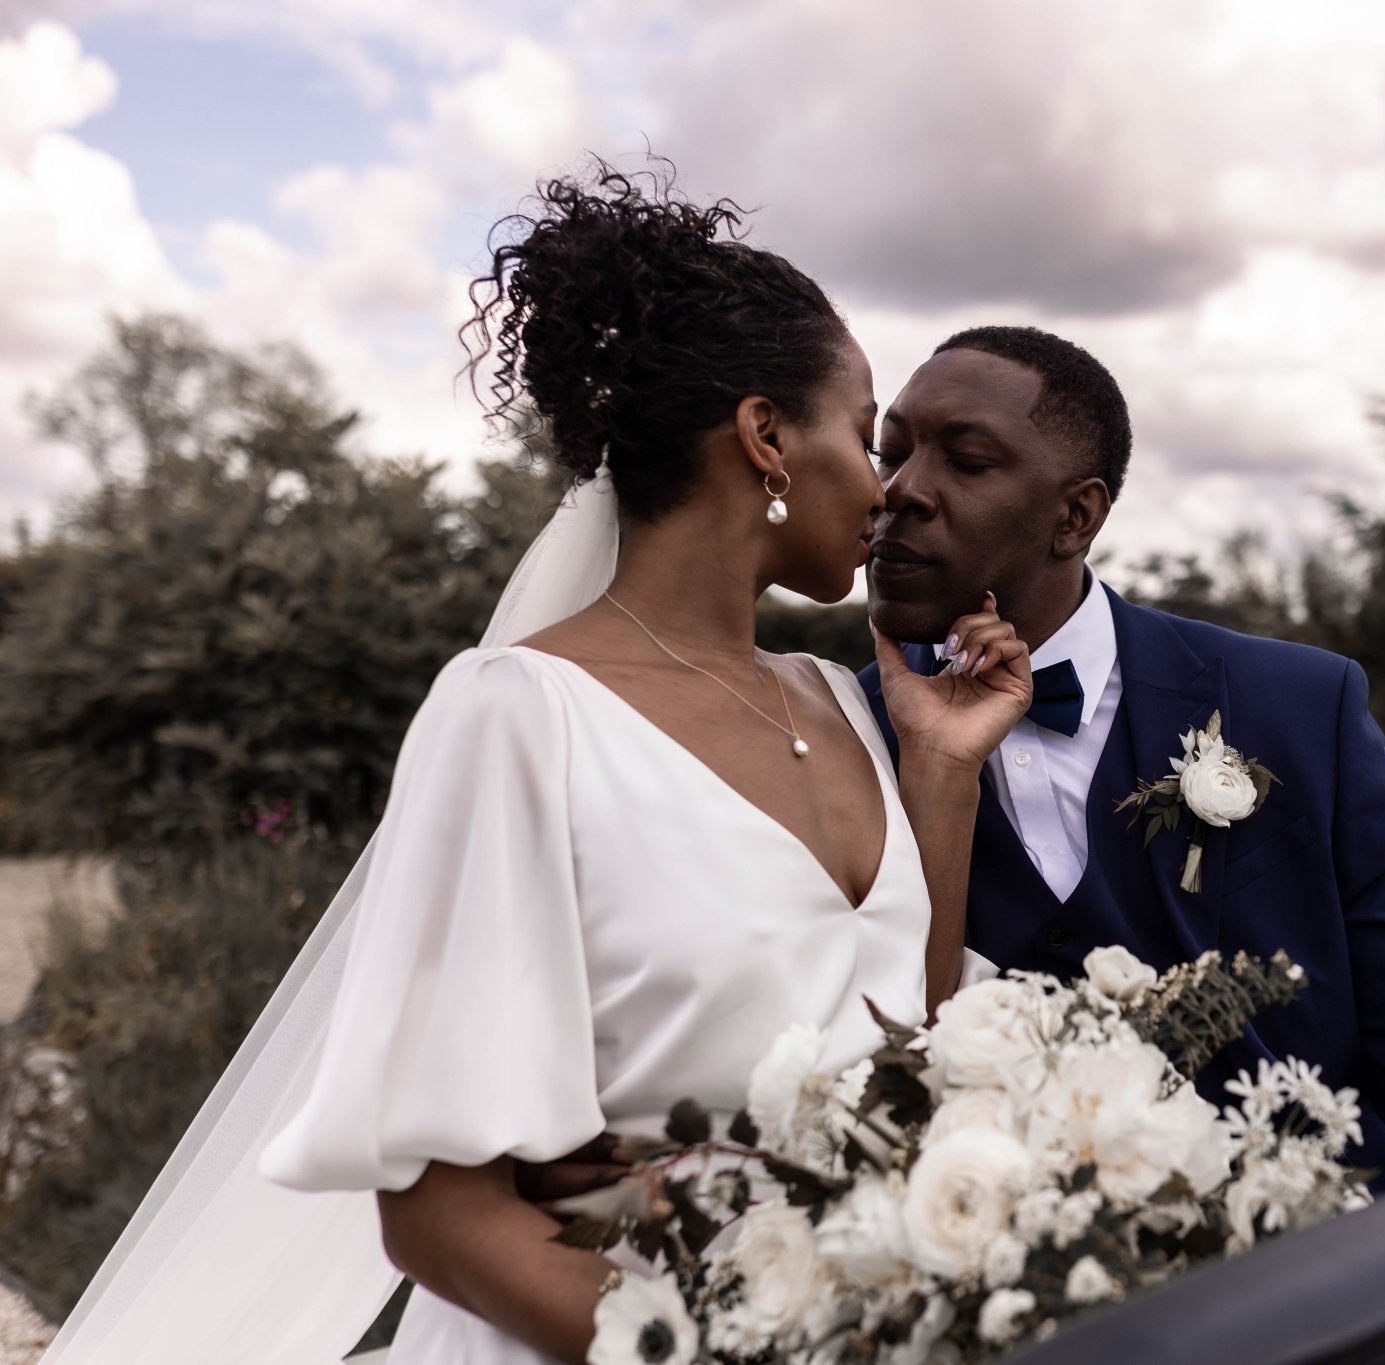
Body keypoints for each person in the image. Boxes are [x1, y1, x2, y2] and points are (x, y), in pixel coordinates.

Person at [40, 166, 1030, 1365]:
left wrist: (940, 767)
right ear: (768, 439)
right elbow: (443, 1220)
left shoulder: (840, 699)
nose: (883, 488)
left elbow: (907, 1052)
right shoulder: (517, 715)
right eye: (861, 434)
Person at [854, 326, 1385, 1365]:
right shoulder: (840, 740)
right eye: (890, 450)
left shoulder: (1294, 708)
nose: (900, 491)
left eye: (962, 461)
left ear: (1075, 515)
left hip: (1341, 1298)